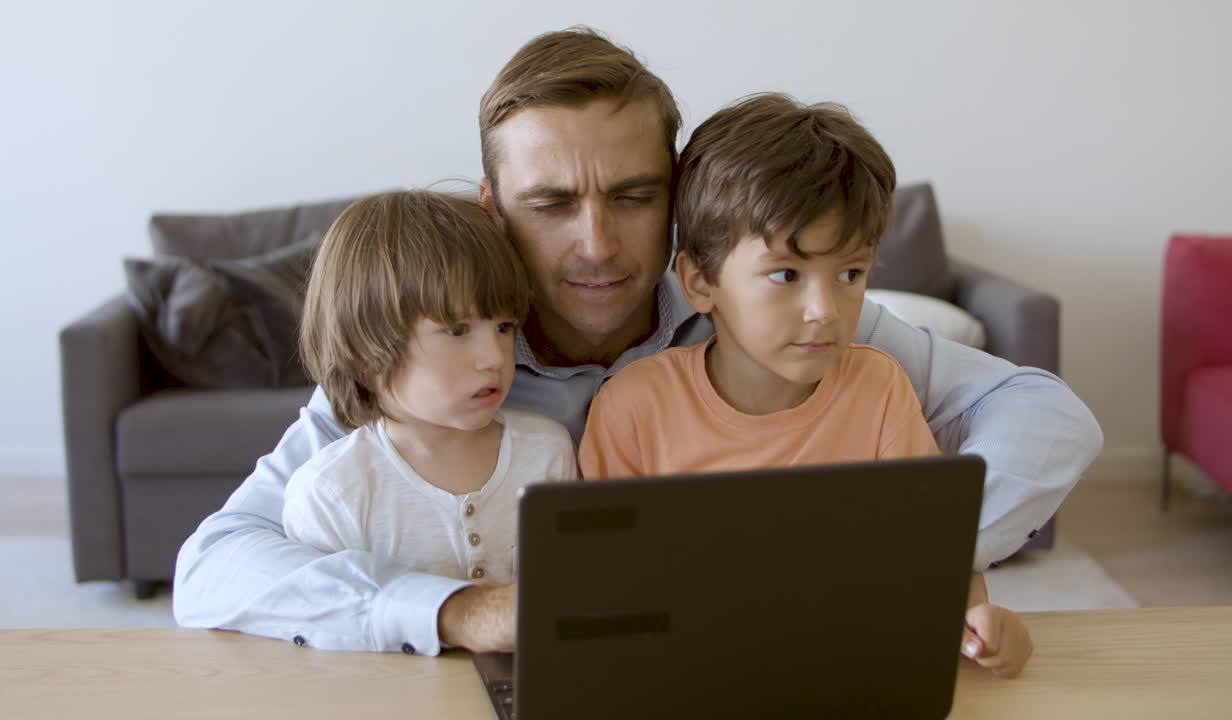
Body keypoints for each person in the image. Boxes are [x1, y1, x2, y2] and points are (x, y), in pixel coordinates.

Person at [174, 27, 1102, 656]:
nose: (597, 244)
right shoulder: (429, 368)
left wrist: (908, 566)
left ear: (680, 199)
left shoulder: (761, 323)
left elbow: (1043, 416)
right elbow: (216, 565)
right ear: (493, 210)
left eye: (632, 196)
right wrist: (457, 610)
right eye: (550, 204)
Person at [578, 94, 1032, 677]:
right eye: (786, 274)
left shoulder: (878, 388)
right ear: (698, 280)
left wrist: (981, 627)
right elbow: (603, 598)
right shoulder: (632, 407)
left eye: (850, 273)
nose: (824, 310)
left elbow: (932, 557)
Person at [279, 192, 575, 652]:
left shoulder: (548, 452)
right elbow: (321, 638)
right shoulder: (331, 493)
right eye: (456, 331)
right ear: (363, 353)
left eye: (503, 327)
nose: (493, 358)